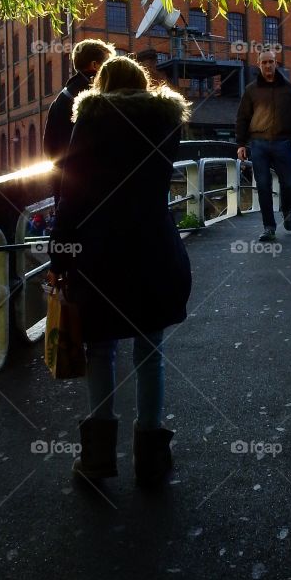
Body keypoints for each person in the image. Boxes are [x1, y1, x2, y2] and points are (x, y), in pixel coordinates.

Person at [48, 56, 191, 490]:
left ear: (102, 85)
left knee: (101, 350)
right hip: (154, 248)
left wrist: (60, 254)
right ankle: (151, 457)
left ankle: (97, 459)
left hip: (101, 253)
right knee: (150, 352)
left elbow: (72, 194)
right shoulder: (166, 124)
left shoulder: (89, 123)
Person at [235, 50, 291, 242]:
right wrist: (241, 144)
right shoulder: (251, 90)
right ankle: (269, 227)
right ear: (259, 64)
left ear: (276, 63)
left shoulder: (289, 89)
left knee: (290, 184)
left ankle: (287, 209)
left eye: (271, 62)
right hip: (258, 144)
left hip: (283, 143)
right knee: (264, 186)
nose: (268, 66)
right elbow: (242, 117)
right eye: (264, 62)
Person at [42, 37, 115, 193]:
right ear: (95, 65)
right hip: (95, 190)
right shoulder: (102, 96)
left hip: (65, 190)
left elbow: (49, 149)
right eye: (107, 64)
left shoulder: (59, 100)